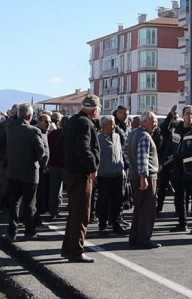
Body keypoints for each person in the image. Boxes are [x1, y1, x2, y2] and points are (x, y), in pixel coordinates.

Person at [61, 94, 101, 263]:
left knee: (74, 212)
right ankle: (76, 250)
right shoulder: (85, 123)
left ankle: (68, 248)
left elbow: (60, 145)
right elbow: (84, 147)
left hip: (71, 171)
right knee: (81, 212)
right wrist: (92, 167)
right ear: (94, 110)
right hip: (80, 173)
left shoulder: (72, 121)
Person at [4, 104, 48, 240]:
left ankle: (12, 231)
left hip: (13, 170)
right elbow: (41, 152)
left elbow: (10, 120)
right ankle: (29, 230)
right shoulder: (33, 131)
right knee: (29, 204)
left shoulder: (10, 127)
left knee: (14, 203)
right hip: (29, 171)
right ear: (30, 116)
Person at [167, 105, 192, 234]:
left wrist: (175, 157)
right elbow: (169, 146)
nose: (190, 116)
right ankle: (182, 223)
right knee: (180, 200)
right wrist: (163, 162)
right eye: (188, 113)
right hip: (178, 170)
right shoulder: (176, 129)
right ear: (183, 115)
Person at [127, 111, 161, 249]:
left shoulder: (132, 133)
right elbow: (143, 158)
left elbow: (125, 152)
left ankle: (134, 237)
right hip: (145, 177)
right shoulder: (144, 136)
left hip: (135, 175)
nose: (155, 124)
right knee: (147, 210)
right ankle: (144, 239)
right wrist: (143, 177)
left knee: (139, 208)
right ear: (145, 122)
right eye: (153, 121)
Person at [96, 116, 127, 235]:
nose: (114, 126)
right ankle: (102, 225)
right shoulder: (98, 139)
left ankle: (116, 224)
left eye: (114, 124)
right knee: (103, 201)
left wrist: (122, 168)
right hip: (104, 175)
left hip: (117, 174)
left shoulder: (117, 137)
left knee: (118, 201)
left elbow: (120, 153)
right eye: (111, 124)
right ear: (103, 127)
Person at [46, 115, 67, 221]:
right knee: (71, 191)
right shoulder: (70, 134)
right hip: (66, 167)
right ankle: (72, 212)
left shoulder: (52, 134)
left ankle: (53, 212)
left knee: (53, 191)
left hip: (53, 165)